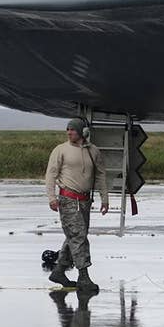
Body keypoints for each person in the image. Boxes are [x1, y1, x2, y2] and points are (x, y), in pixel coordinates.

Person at [45, 117, 110, 293]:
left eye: (72, 130)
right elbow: (50, 175)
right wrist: (52, 197)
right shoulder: (61, 150)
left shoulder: (93, 151)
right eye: (67, 129)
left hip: (85, 201)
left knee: (74, 237)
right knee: (79, 237)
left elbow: (101, 176)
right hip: (67, 200)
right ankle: (84, 276)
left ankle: (59, 271)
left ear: (83, 132)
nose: (69, 132)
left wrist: (105, 198)